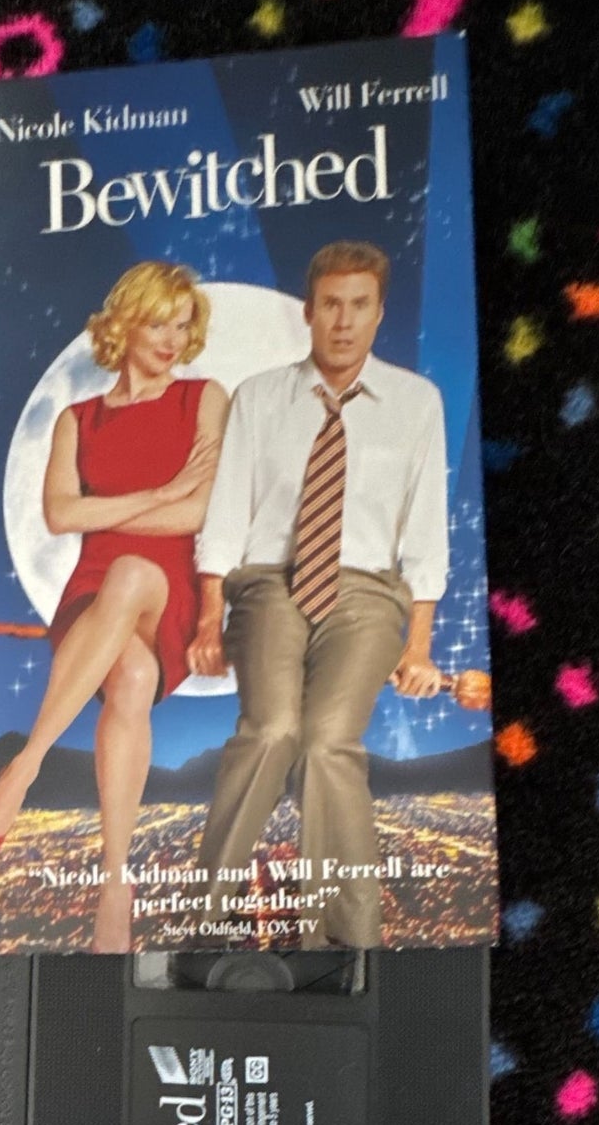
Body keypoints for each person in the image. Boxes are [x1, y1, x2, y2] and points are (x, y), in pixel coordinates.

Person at [187, 240, 447, 949]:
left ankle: (341, 941)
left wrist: (418, 647)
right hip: (269, 584)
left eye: (359, 305)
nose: (343, 320)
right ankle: (201, 919)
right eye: (331, 304)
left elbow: (424, 530)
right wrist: (209, 618)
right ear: (308, 311)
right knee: (272, 730)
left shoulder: (416, 403)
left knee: (329, 742)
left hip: (367, 593)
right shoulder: (260, 397)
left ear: (379, 313)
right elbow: (226, 516)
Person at [0, 261, 229, 953]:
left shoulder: (205, 398)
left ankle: (24, 765)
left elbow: (198, 513)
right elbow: (60, 516)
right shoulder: (76, 419)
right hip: (89, 592)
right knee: (132, 678)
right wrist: (160, 494)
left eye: (182, 325)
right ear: (123, 325)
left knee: (130, 570)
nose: (172, 339)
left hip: (168, 586)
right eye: (157, 323)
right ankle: (115, 885)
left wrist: (123, 509)